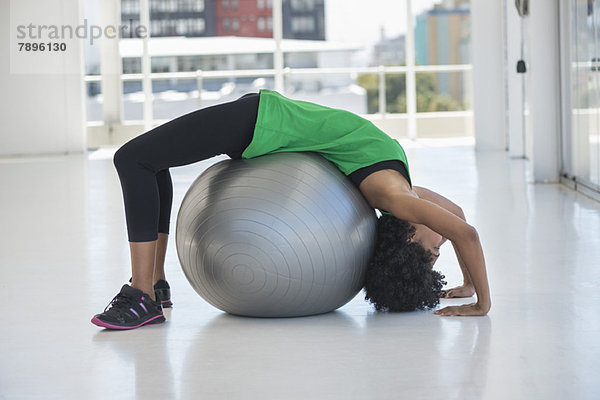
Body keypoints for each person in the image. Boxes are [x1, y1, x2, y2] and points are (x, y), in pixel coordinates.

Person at [91, 90, 491, 330]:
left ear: (408, 232)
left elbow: (460, 231)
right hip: (264, 118)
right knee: (147, 162)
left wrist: (476, 293)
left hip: (259, 122)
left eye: (432, 250)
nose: (441, 242)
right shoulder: (405, 195)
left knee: (134, 160)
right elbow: (462, 224)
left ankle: (145, 294)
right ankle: (153, 286)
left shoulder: (398, 200)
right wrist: (475, 294)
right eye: (438, 249)